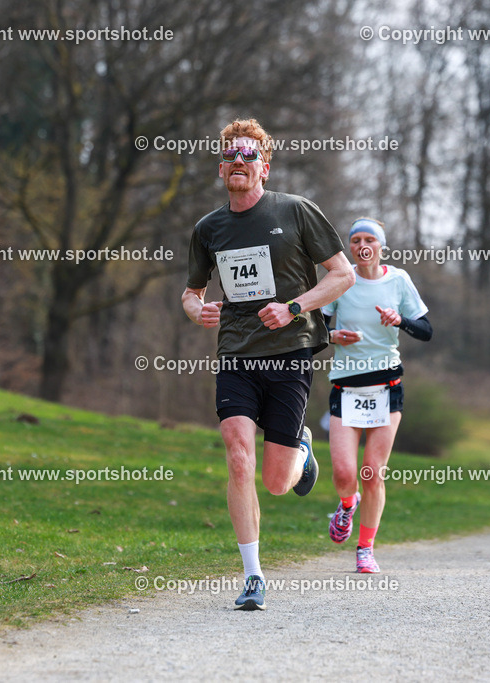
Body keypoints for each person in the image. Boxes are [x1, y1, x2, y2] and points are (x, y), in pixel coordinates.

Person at [183, 119, 354, 610]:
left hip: (290, 351)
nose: (240, 162)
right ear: (221, 169)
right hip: (236, 351)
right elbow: (191, 294)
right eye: (231, 157)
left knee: (277, 483)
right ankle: (253, 576)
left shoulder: (296, 211)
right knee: (238, 452)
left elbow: (341, 276)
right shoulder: (208, 228)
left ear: (265, 166)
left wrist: (295, 307)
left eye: (249, 156)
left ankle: (302, 444)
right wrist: (199, 310)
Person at [322, 218, 432, 573]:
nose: (362, 244)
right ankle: (346, 503)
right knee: (344, 473)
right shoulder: (340, 279)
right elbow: (315, 327)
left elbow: (426, 331)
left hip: (386, 386)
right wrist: (333, 337)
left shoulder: (397, 280)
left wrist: (399, 321)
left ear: (381, 245)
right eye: (356, 239)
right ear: (349, 247)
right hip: (345, 386)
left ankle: (366, 548)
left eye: (369, 238)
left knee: (372, 473)